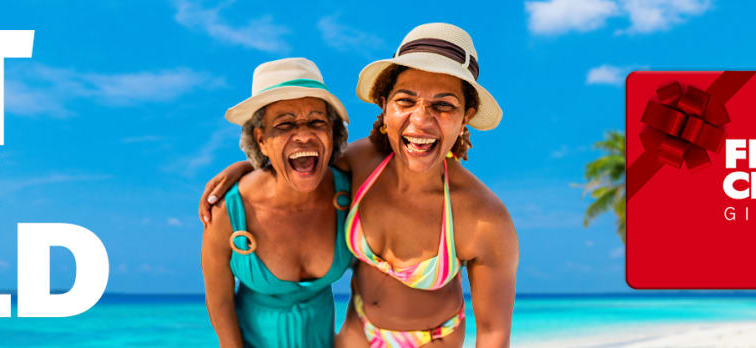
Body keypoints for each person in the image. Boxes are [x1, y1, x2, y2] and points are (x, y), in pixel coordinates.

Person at [200, 23, 518, 347]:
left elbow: (493, 332)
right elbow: (300, 161)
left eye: (443, 105)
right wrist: (247, 166)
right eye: (406, 101)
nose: (421, 120)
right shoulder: (362, 162)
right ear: (384, 104)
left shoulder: (484, 218)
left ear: (467, 115)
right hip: (356, 332)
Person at [200, 57, 356, 348]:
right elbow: (219, 305)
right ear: (261, 139)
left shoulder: (351, 193)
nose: (305, 135)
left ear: (332, 133)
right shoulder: (229, 213)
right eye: (285, 125)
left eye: (317, 122)